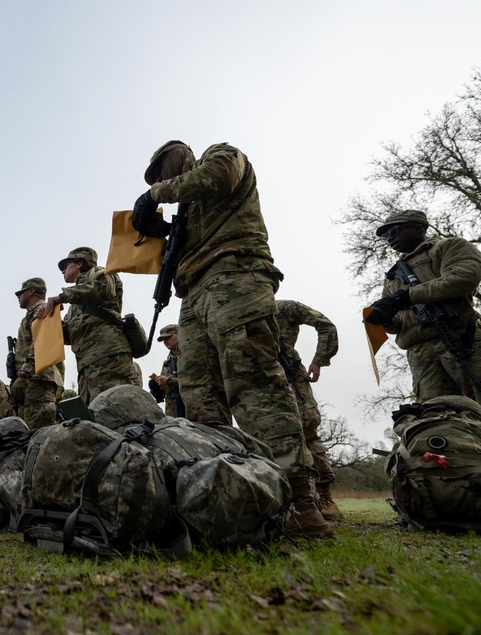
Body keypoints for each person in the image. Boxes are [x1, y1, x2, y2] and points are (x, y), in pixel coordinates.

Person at [133, 139, 329, 538]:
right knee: (201, 398)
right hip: (194, 296)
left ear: (180, 155)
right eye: (156, 178)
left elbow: (216, 177)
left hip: (235, 277)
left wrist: (153, 195)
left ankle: (300, 505)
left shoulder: (220, 156)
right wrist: (169, 232)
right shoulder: (189, 213)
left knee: (256, 386)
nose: (164, 179)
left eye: (164, 170)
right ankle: (225, 495)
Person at [366, 210, 481, 448]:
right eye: (384, 236)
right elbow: (400, 321)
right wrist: (383, 319)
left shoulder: (448, 247)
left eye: (394, 230)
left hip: (462, 339)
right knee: (439, 423)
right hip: (421, 356)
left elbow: (463, 277)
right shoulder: (392, 277)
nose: (389, 238)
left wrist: (406, 296)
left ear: (419, 228)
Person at [41, 247, 138, 404]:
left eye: (66, 266)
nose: (63, 270)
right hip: (87, 366)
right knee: (96, 411)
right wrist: (46, 320)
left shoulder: (100, 273)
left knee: (117, 407)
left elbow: (100, 289)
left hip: (108, 356)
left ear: (79, 263)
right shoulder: (75, 306)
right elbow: (67, 335)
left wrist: (62, 297)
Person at [275, 299, 342, 521]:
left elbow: (325, 325)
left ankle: (325, 496)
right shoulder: (236, 312)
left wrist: (320, 360)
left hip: (290, 374)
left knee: (308, 430)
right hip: (259, 381)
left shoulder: (285, 307)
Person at [13, 277, 65, 430]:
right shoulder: (33, 313)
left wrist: (24, 374)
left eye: (21, 293)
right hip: (35, 379)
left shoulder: (41, 309)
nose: (18, 296)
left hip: (37, 379)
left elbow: (42, 343)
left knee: (39, 433)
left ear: (31, 292)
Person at [150, 324, 184, 417]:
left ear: (179, 334)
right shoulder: (167, 363)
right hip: (173, 414)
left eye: (168, 337)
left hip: (193, 411)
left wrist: (169, 381)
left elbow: (197, 382)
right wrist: (157, 388)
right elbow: (167, 390)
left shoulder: (191, 355)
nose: (165, 341)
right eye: (162, 340)